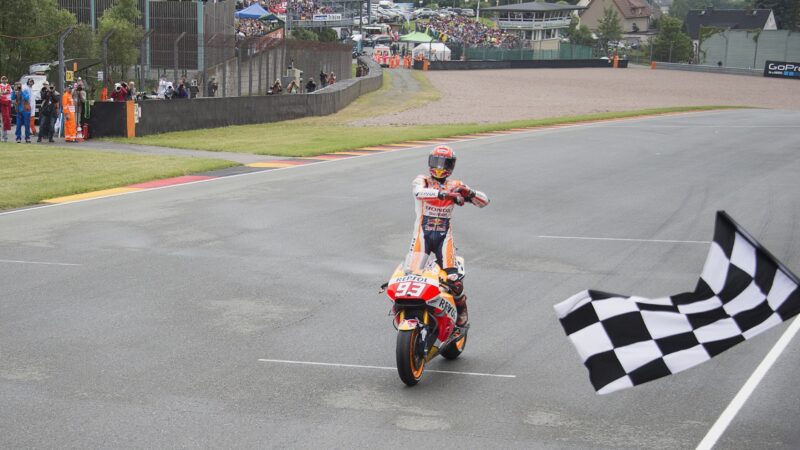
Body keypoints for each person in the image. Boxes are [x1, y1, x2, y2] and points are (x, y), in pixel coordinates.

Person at [408, 145, 489, 326]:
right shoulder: (422, 180)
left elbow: (485, 202)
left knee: (453, 280)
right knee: (412, 275)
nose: (440, 166)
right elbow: (418, 193)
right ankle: (413, 309)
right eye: (436, 161)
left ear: (451, 166)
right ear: (429, 162)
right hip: (422, 235)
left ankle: (461, 310)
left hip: (444, 237)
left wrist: (470, 193)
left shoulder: (456, 185)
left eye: (445, 163)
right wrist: (445, 195)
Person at [0, 76, 11, 142]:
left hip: (5, 105)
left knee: (5, 121)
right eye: (3, 79)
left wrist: (2, 93)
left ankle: (5, 137)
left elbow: (7, 92)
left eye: (5, 79)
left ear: (7, 80)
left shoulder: (8, 86)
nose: (4, 80)